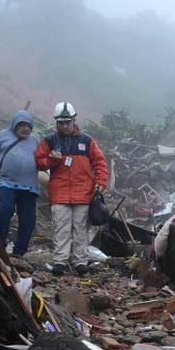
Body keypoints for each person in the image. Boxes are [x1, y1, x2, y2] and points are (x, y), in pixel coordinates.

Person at [35, 102, 108, 276]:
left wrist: (101, 182)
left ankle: (80, 262)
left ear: (74, 120)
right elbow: (38, 161)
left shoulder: (87, 140)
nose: (64, 126)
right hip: (59, 193)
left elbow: (99, 163)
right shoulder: (49, 141)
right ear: (56, 122)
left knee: (81, 229)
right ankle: (60, 261)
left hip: (83, 193)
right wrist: (52, 161)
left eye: (67, 122)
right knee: (61, 228)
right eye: (61, 122)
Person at [0, 110, 40, 257]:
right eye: (22, 125)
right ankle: (0, 245)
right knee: (4, 212)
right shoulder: (2, 136)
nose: (26, 129)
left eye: (29, 126)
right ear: (15, 124)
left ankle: (19, 251)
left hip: (29, 186)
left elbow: (43, 160)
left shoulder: (35, 140)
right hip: (6, 183)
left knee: (28, 219)